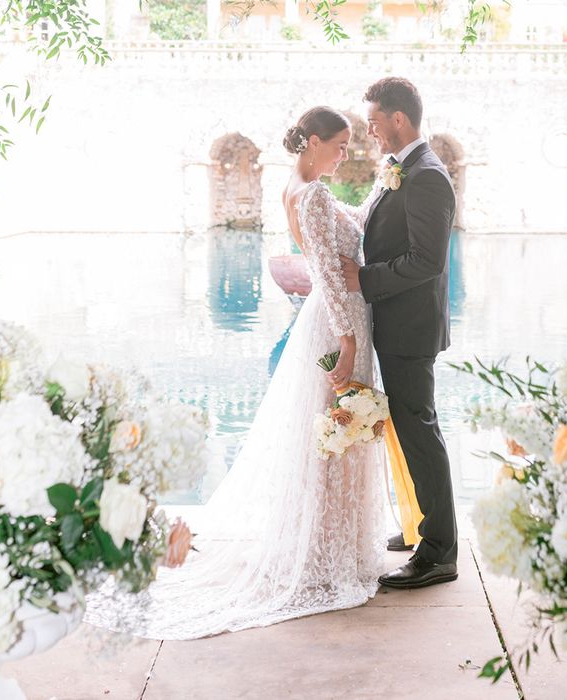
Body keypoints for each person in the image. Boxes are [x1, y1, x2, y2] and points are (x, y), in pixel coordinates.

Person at [84, 107, 387, 638]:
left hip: (328, 318)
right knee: (338, 430)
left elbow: (343, 235)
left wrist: (380, 194)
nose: (346, 154)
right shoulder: (313, 194)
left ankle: (325, 544)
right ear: (313, 142)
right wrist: (347, 340)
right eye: (339, 145)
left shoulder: (300, 187)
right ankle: (330, 552)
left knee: (331, 433)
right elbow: (325, 273)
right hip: (339, 322)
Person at [340, 77, 458, 589]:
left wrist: (363, 280)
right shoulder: (402, 169)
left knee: (420, 433)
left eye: (373, 121)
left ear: (398, 120)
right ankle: (421, 528)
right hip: (397, 324)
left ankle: (438, 553)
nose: (369, 131)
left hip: (410, 329)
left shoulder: (426, 176)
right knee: (411, 432)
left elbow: (426, 262)